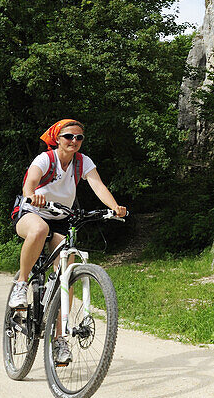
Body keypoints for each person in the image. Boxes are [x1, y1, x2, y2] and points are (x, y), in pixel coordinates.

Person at [8, 119, 127, 365]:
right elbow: (30, 183)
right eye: (69, 137)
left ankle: (60, 338)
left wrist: (114, 207)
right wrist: (32, 196)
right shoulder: (45, 159)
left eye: (79, 138)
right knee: (40, 230)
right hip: (31, 212)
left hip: (62, 218)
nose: (74, 141)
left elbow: (98, 185)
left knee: (67, 269)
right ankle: (21, 284)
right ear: (57, 139)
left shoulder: (83, 163)